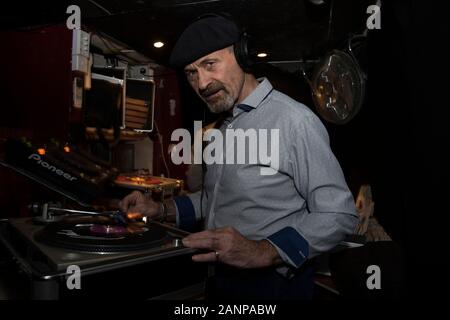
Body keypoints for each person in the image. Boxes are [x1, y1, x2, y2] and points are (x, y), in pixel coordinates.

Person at [119, 14, 358, 300]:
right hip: (221, 278)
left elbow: (338, 214)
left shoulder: (294, 121)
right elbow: (214, 198)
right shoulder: (223, 126)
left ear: (242, 56)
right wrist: (161, 209)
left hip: (273, 285)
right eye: (191, 73)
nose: (202, 83)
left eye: (210, 64)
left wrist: (263, 252)